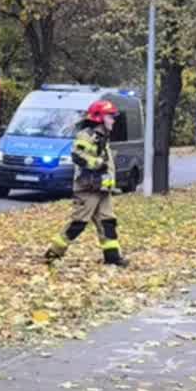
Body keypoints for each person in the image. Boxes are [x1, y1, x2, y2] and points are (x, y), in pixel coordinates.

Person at [44, 99, 127, 266]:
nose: (113, 120)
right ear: (100, 117)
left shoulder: (103, 137)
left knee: (107, 222)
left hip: (102, 189)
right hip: (87, 189)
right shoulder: (87, 136)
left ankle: (112, 258)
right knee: (79, 223)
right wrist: (97, 163)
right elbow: (77, 156)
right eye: (110, 117)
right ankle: (53, 253)